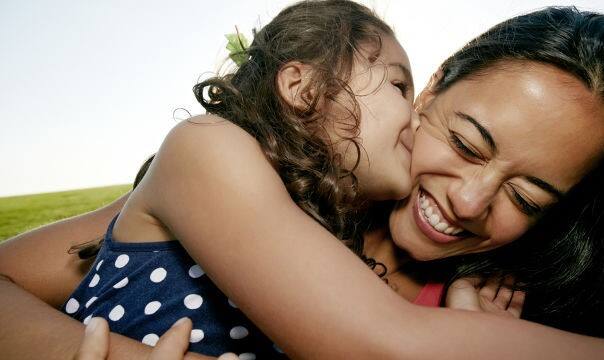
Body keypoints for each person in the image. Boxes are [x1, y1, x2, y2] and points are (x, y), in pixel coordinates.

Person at [1, 3, 604, 360]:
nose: (469, 200)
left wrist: (476, 332)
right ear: (431, 91)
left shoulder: (500, 315)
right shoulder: (244, 178)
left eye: (526, 197)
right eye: (466, 143)